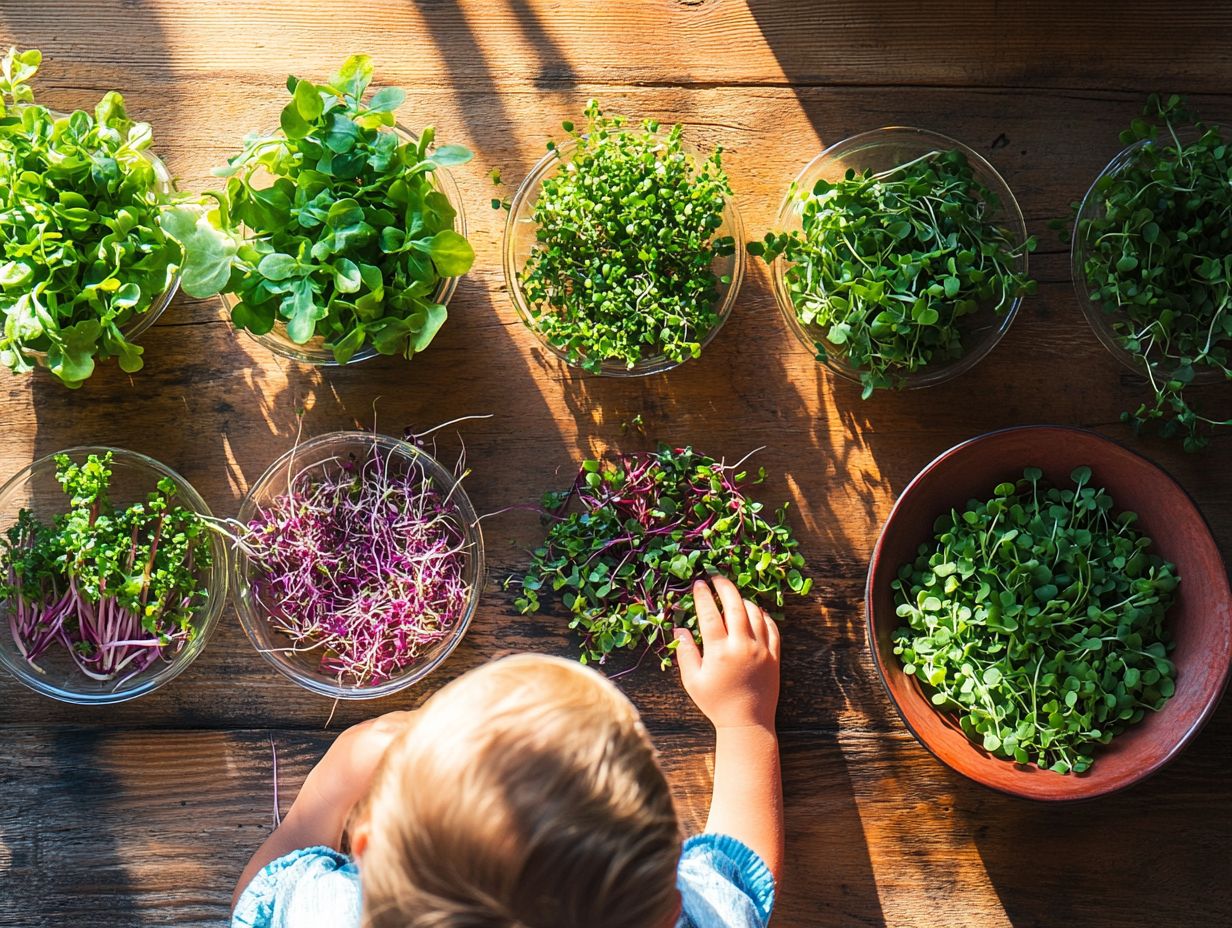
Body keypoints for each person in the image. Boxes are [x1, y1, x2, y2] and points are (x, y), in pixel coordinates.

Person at [232, 576, 784, 928]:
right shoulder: (705, 917)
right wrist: (745, 721)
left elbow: (260, 897)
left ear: (368, 847)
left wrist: (335, 783)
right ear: (671, 911)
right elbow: (737, 862)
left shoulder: (324, 914)